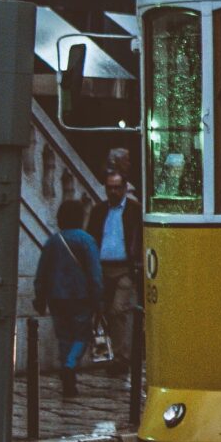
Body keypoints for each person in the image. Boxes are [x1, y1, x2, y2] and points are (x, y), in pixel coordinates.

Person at [33, 201, 102, 400]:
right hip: (81, 296)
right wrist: (98, 298)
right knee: (81, 335)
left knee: (63, 336)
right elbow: (95, 273)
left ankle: (66, 370)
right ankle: (70, 366)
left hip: (56, 297)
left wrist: (40, 297)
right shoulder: (86, 240)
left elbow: (42, 272)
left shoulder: (53, 241)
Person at [85, 160, 142, 377]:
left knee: (119, 311)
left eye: (117, 187)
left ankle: (120, 357)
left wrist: (136, 263)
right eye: (110, 187)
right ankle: (105, 355)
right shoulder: (99, 210)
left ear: (125, 188)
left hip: (125, 269)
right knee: (101, 314)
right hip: (102, 268)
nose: (113, 191)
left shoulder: (134, 210)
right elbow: (92, 236)